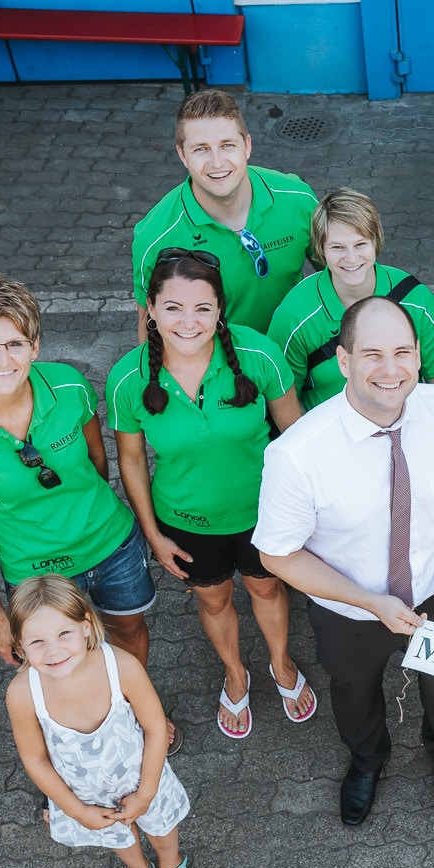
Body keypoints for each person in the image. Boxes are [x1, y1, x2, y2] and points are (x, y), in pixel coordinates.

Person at [0, 275, 178, 750]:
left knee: (128, 633)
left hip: (113, 548)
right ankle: (75, 742)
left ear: (35, 345)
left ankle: (131, 712)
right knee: (55, 663)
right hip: (38, 575)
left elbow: (97, 464)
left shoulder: (70, 386)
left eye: (16, 343)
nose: (3, 360)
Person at [255, 296, 434, 826]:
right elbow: (276, 553)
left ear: (419, 356)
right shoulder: (298, 453)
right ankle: (366, 760)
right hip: (348, 603)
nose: (390, 369)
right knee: (353, 692)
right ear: (343, 361)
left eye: (402, 352)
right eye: (372, 354)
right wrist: (369, 602)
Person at [108, 248, 314, 739]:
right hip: (187, 520)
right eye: (173, 307)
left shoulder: (257, 354)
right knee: (215, 600)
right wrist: (154, 535)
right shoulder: (128, 379)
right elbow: (132, 461)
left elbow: (298, 436)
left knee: (266, 587)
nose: (188, 321)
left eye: (202, 307)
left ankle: (281, 665)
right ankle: (236, 673)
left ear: (220, 309)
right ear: (151, 310)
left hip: (263, 512)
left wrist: (307, 509)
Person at [4, 575, 197, 868]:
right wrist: (77, 811)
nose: (53, 651)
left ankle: (173, 866)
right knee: (115, 836)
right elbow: (35, 760)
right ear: (19, 645)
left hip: (144, 774)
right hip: (85, 792)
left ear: (87, 625)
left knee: (163, 828)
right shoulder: (22, 693)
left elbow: (156, 729)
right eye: (37, 642)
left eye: (64, 634)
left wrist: (147, 792)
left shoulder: (120, 666)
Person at [132, 89, 317, 338]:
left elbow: (340, 276)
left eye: (227, 145)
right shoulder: (157, 236)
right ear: (182, 155)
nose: (217, 162)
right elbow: (148, 326)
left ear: (247, 145)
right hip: (219, 369)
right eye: (201, 149)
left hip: (293, 356)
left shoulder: (298, 200)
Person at [269, 188, 434, 409]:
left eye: (360, 244)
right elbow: (284, 398)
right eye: (337, 247)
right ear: (320, 248)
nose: (351, 258)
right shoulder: (295, 314)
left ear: (375, 241)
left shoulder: (416, 301)